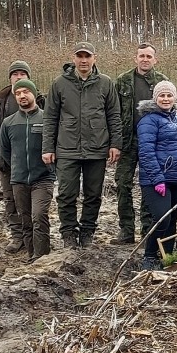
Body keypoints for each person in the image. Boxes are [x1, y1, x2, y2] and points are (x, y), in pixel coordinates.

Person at [42, 42, 122, 249]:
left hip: (97, 147)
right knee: (67, 193)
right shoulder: (59, 83)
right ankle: (68, 232)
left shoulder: (105, 83)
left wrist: (115, 144)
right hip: (66, 148)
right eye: (80, 56)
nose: (83, 60)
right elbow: (50, 117)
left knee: (93, 193)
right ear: (74, 58)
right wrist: (48, 148)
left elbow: (114, 115)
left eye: (87, 56)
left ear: (94, 58)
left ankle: (88, 231)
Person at [112, 42, 168, 244]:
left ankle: (147, 229)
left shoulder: (162, 82)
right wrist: (115, 143)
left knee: (150, 184)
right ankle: (126, 230)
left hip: (152, 144)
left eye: (148, 56)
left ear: (155, 60)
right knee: (122, 184)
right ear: (135, 58)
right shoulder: (123, 81)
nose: (145, 59)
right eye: (141, 56)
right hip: (127, 142)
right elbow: (114, 114)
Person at [0, 60, 44, 253]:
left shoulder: (39, 98)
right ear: (10, 78)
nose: (19, 77)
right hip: (7, 159)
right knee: (10, 198)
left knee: (33, 204)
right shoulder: (0, 99)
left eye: (23, 74)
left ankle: (35, 239)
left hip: (35, 162)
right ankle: (17, 236)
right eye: (15, 74)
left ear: (28, 77)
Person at [0, 79, 55, 262]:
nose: (22, 96)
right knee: (26, 220)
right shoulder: (8, 123)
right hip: (19, 180)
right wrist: (17, 167)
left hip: (43, 178)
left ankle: (42, 256)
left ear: (34, 93)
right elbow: (5, 150)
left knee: (39, 215)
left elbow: (56, 147)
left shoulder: (47, 119)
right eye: (18, 93)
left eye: (26, 92)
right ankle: (32, 254)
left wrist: (50, 167)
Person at [136, 81, 177, 270]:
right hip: (156, 181)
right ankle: (149, 256)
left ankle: (167, 256)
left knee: (173, 219)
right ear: (155, 98)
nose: (166, 99)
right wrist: (157, 178)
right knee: (162, 218)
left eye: (169, 95)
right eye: (162, 95)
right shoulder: (148, 121)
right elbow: (146, 152)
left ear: (175, 97)